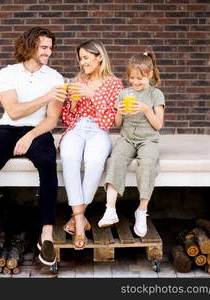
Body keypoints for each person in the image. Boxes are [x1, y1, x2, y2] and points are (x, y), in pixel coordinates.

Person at [0, 27, 65, 267]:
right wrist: (45, 98)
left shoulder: (55, 77)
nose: (48, 52)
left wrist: (31, 136)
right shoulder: (7, 73)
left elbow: (52, 120)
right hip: (8, 129)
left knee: (46, 163)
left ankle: (46, 235)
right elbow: (13, 111)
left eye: (50, 48)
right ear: (30, 46)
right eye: (44, 47)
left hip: (38, 130)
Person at [60, 40, 123, 250]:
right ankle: (80, 222)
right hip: (76, 127)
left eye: (86, 57)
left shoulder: (114, 84)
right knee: (69, 158)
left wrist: (92, 97)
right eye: (80, 58)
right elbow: (67, 119)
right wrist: (75, 103)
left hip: (99, 129)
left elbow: (111, 121)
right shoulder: (77, 81)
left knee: (95, 161)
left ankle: (76, 218)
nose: (82, 62)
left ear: (99, 57)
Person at [98, 49, 165, 237]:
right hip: (127, 138)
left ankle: (142, 211)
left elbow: (158, 125)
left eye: (140, 78)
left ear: (150, 75)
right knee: (115, 159)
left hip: (148, 140)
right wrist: (118, 111)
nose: (135, 82)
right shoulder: (124, 93)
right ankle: (110, 210)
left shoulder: (155, 95)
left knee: (148, 164)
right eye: (132, 78)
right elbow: (117, 125)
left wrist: (146, 109)